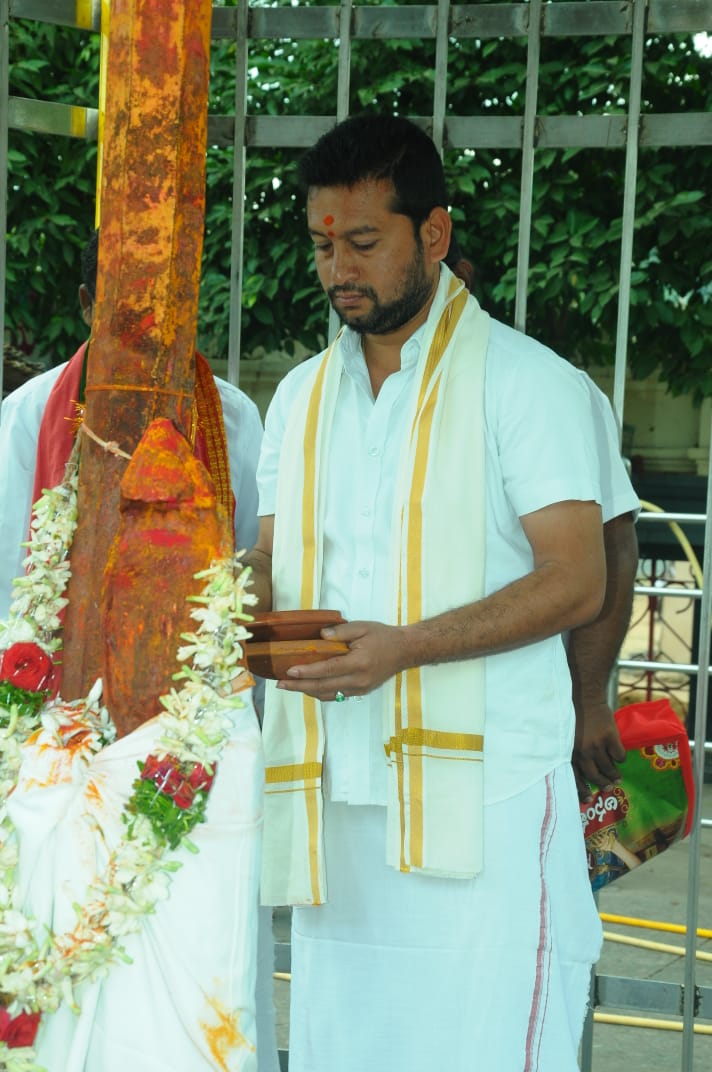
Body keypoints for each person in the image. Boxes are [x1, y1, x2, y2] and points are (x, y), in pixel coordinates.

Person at [246, 114, 613, 1071]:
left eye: (364, 242)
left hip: (489, 798)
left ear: (435, 234)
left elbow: (577, 578)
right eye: (322, 245)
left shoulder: (527, 383)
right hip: (335, 795)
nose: (338, 270)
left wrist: (405, 647)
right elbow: (274, 561)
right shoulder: (301, 396)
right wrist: (224, 599)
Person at [0, 230, 280, 1072]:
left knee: (198, 961)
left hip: (189, 742)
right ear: (88, 303)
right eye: (127, 304)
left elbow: (248, 576)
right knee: (53, 944)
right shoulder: (29, 415)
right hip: (52, 741)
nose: (152, 325)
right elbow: (12, 576)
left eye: (170, 305)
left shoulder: (233, 417)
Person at [443, 233, 640, 800]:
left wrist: (588, 698)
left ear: (461, 276)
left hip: (522, 725)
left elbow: (613, 547)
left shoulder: (544, 385)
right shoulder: (346, 394)